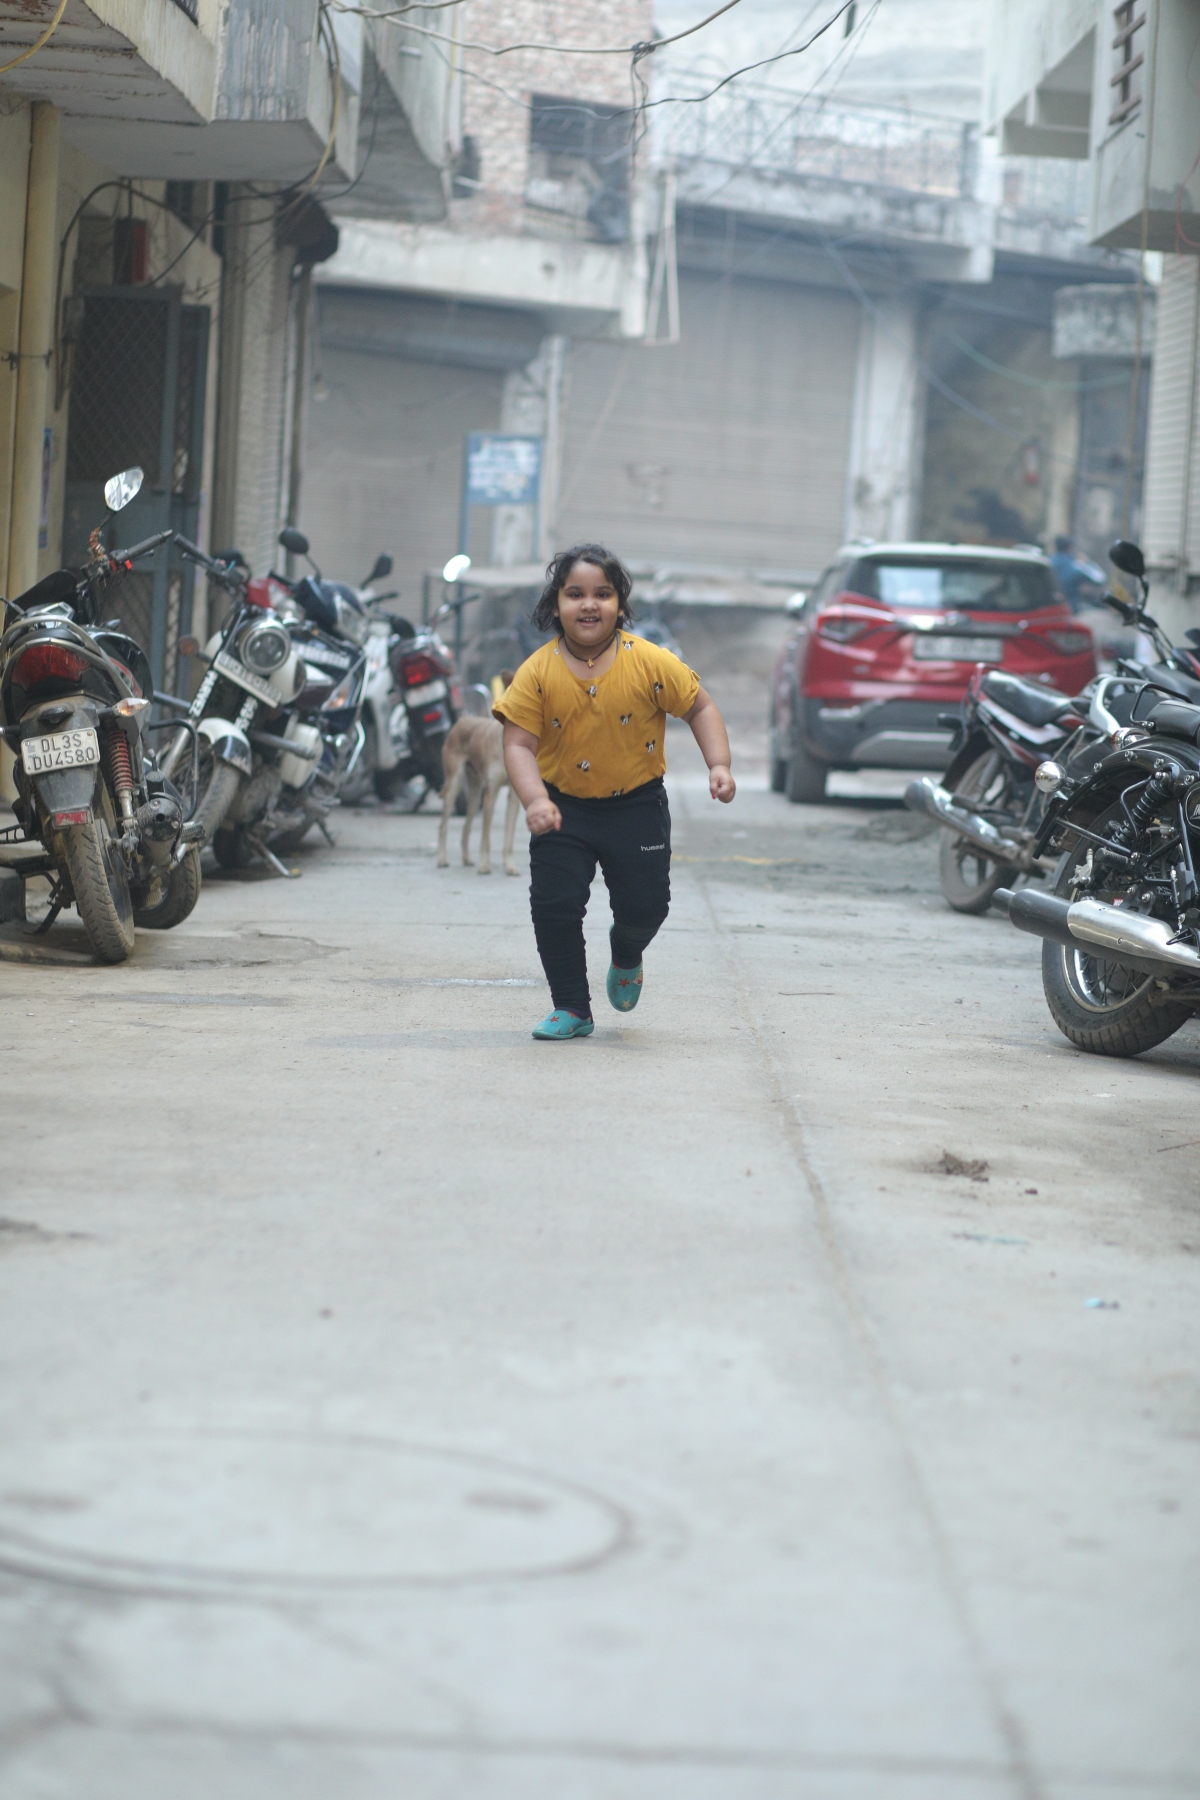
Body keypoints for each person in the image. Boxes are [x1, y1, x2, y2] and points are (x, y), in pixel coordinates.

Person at [495, 543, 736, 1040]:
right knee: (555, 905)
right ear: (555, 603)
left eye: (602, 594)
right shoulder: (537, 672)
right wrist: (536, 800)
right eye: (575, 593)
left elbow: (700, 707)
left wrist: (720, 765)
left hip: (637, 806)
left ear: (620, 605)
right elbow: (517, 742)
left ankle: (626, 950)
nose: (589, 605)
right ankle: (571, 1007)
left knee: (647, 905)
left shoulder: (649, 661)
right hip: (562, 809)